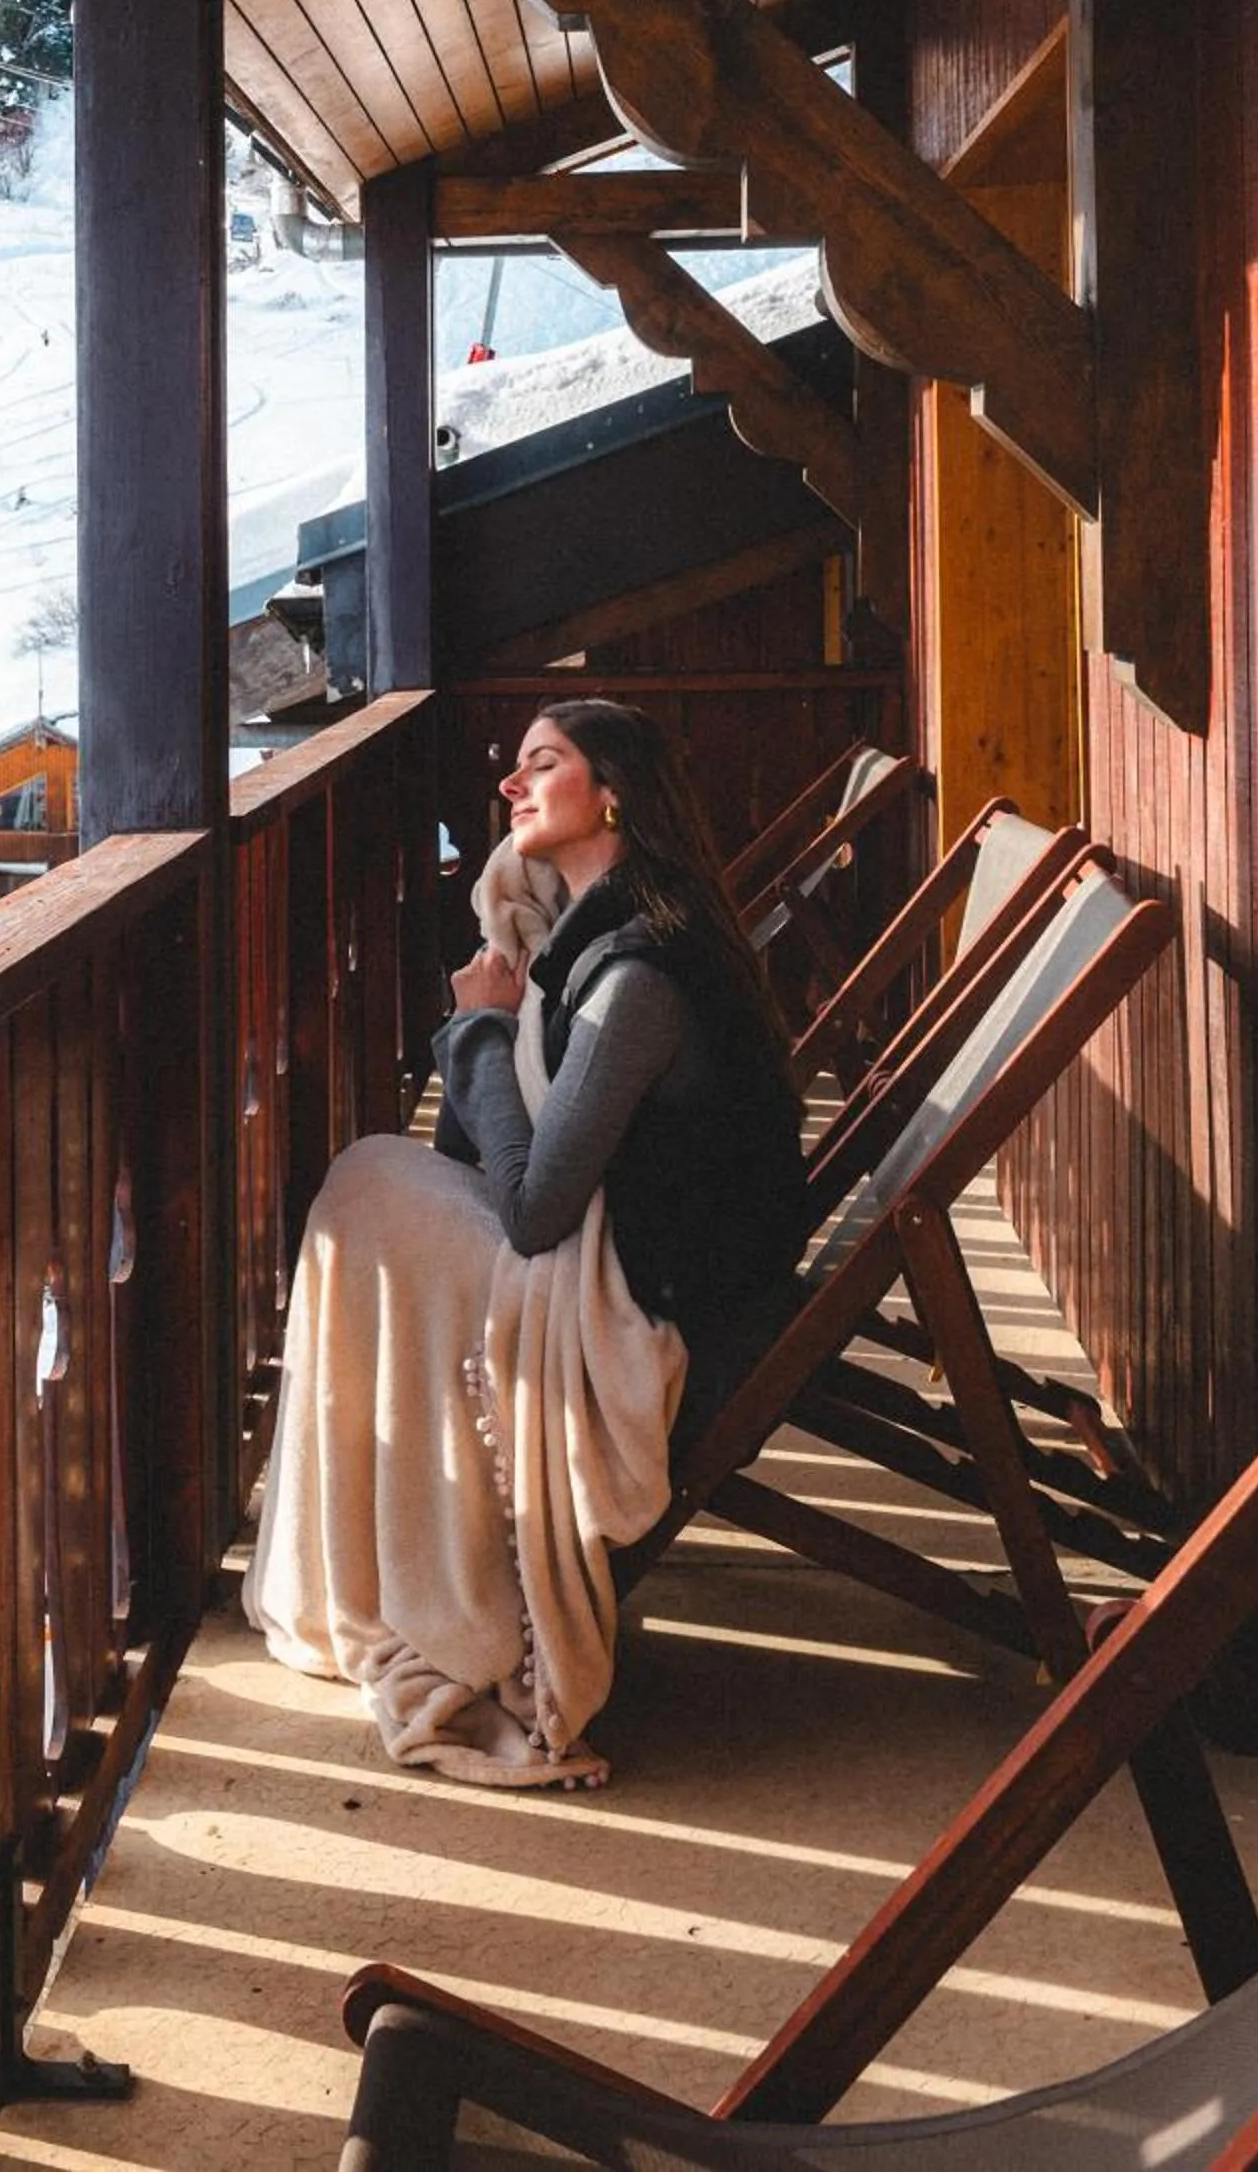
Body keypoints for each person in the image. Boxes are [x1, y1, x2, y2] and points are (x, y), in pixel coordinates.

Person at [244, 697, 804, 1791]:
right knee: (369, 1186)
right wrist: (497, 1003)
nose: (510, 785)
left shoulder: (638, 975)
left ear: (613, 794)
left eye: (542, 764)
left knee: (363, 1191)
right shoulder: (597, 930)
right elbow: (475, 1154)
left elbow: (536, 1205)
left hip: (647, 1310)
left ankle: (386, 1561)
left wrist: (483, 1033)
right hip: (634, 1250)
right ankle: (368, 1543)